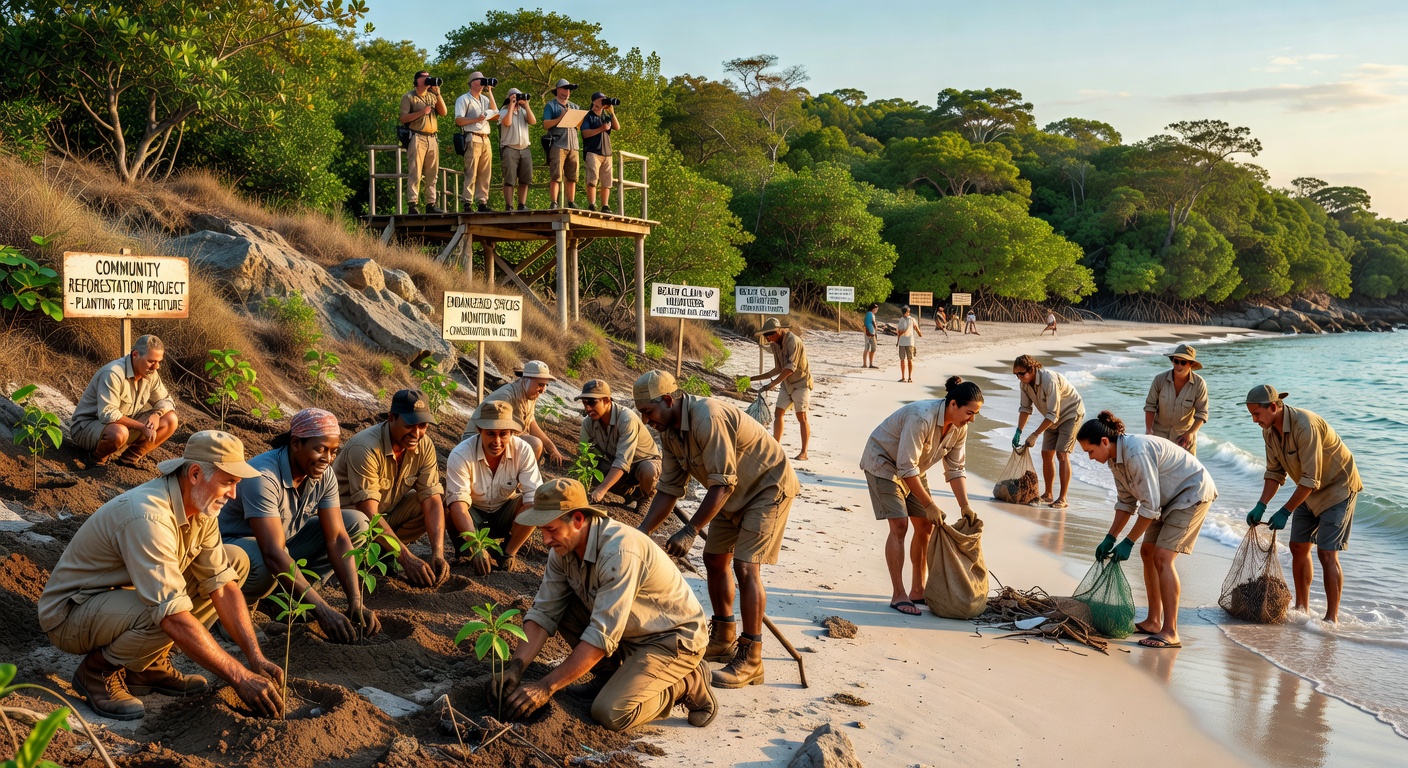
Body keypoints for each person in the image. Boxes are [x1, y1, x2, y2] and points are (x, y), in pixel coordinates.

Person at [38, 431, 283, 721]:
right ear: (194, 474)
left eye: (236, 483)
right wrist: (239, 677)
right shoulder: (148, 515)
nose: (233, 494)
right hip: (71, 614)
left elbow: (223, 586)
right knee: (165, 612)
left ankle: (145, 666)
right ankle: (97, 671)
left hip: (121, 600)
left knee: (235, 562)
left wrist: (255, 657)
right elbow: (172, 616)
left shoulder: (201, 507)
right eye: (228, 482)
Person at [498, 478, 716, 731]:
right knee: (562, 608)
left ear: (578, 520)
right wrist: (516, 666)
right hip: (629, 632)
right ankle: (610, 678)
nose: (546, 540)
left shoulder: (619, 552)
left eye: (551, 530)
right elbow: (543, 612)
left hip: (670, 640)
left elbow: (602, 635)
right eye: (542, 531)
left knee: (610, 712)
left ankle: (685, 682)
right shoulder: (562, 549)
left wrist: (546, 686)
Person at [635, 371, 799, 689]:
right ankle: (724, 638)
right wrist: (641, 533)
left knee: (745, 566)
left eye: (649, 412)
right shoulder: (669, 433)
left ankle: (752, 659)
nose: (646, 421)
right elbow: (669, 490)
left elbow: (722, 482)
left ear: (668, 401)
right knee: (714, 560)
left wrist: (691, 529)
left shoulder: (706, 416)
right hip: (729, 496)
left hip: (767, 488)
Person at [219, 409, 378, 644]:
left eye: (334, 451)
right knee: (264, 557)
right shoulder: (263, 476)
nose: (328, 458)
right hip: (233, 553)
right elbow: (273, 553)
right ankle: (232, 611)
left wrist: (355, 600)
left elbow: (337, 538)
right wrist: (322, 610)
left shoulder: (323, 474)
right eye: (320, 449)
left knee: (356, 523)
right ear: (295, 443)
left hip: (281, 544)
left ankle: (279, 599)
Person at [1078, 412, 1217, 649]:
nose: (1090, 458)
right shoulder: (1114, 460)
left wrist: (1128, 541)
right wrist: (1110, 538)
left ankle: (1171, 631)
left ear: (1103, 442)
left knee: (1163, 556)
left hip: (1191, 493)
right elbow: (1126, 503)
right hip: (1167, 499)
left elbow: (1150, 506)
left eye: (1090, 451)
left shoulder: (1135, 452)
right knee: (1148, 552)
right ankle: (1153, 621)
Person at [860, 377, 983, 616]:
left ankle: (918, 590)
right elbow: (905, 467)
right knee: (899, 526)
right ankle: (899, 594)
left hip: (914, 468)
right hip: (883, 462)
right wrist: (930, 503)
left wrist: (965, 506)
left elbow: (956, 468)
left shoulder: (960, 428)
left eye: (975, 414)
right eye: (970, 413)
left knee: (926, 525)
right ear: (953, 404)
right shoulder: (921, 417)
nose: (972, 419)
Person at [1243, 385, 1362, 623]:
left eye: (1257, 414)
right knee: (1298, 547)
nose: (1254, 420)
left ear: (1274, 407)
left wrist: (1286, 511)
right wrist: (1261, 505)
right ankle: (1301, 608)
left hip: (1337, 488)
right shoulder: (1268, 431)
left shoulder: (1304, 424)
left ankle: (1331, 619)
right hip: (1307, 490)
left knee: (1327, 553)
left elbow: (1312, 479)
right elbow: (1275, 473)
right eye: (1251, 415)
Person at [332, 389, 451, 588]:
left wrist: (437, 553)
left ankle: (386, 551)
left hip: (383, 515)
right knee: (361, 521)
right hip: (346, 525)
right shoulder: (365, 448)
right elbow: (368, 512)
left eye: (423, 426)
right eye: (410, 425)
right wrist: (406, 558)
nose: (417, 433)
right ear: (391, 418)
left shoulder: (425, 445)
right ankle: (375, 553)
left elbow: (431, 501)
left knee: (431, 499)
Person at [444, 400, 542, 575]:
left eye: (503, 434)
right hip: (472, 513)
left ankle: (506, 553)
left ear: (511, 433)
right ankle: (465, 551)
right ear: (480, 431)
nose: (497, 441)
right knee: (448, 507)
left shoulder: (523, 450)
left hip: (504, 511)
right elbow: (459, 506)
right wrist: (476, 547)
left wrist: (510, 551)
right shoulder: (461, 454)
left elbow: (532, 496)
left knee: (537, 502)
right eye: (490, 433)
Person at [71, 334, 180, 468]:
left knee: (170, 419)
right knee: (119, 433)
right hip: (87, 428)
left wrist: (157, 414)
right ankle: (96, 460)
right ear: (135, 354)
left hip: (122, 425)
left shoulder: (150, 373)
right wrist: (142, 427)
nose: (156, 367)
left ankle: (128, 459)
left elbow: (166, 400)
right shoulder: (113, 373)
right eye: (151, 361)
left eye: (159, 362)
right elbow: (108, 415)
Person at [1012, 354, 1085, 508]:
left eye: (1021, 373)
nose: (1019, 377)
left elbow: (1054, 413)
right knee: (1046, 453)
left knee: (1062, 453)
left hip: (1071, 413)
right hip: (1051, 418)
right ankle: (1048, 494)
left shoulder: (1048, 380)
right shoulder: (1024, 384)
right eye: (1016, 374)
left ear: (1032, 369)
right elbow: (1025, 409)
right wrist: (1019, 431)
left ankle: (1063, 498)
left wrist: (1035, 434)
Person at [458, 360, 564, 465]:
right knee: (534, 444)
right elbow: (494, 430)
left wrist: (552, 449)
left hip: (497, 436)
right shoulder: (506, 397)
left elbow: (531, 423)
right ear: (525, 380)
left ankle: (517, 478)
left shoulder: (528, 395)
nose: (543, 390)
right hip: (476, 439)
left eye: (546, 385)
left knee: (535, 444)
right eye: (540, 385)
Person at [576, 379, 660, 506]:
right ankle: (630, 493)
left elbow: (623, 461)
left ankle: (645, 498)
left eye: (592, 403)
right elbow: (584, 456)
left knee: (648, 471)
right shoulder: (588, 423)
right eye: (584, 403)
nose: (587, 408)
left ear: (606, 401)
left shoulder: (626, 419)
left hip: (641, 463)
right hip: (617, 464)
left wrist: (600, 491)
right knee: (597, 468)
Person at [748, 317, 812, 461]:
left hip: (801, 383)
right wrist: (753, 379)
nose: (767, 338)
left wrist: (772, 384)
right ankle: (776, 446)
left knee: (802, 417)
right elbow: (778, 368)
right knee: (778, 413)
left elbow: (790, 368)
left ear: (778, 331)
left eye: (768, 335)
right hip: (787, 384)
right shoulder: (775, 344)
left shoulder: (793, 341)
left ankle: (804, 452)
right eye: (765, 336)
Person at [1144, 344, 1208, 455]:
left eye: (1183, 362)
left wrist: (1190, 433)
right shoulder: (1159, 380)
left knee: (1186, 472)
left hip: (1184, 439)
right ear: (1172, 361)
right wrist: (1149, 430)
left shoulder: (1199, 384)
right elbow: (1150, 406)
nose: (1178, 365)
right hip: (1159, 437)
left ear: (1191, 364)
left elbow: (1202, 413)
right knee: (1156, 470)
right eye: (1176, 361)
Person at [400, 70, 447, 214]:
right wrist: (421, 112)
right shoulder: (409, 97)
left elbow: (444, 112)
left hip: (432, 138)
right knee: (415, 172)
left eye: (429, 77)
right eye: (424, 77)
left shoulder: (432, 96)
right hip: (417, 137)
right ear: (417, 80)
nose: (428, 79)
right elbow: (403, 119)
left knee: (432, 173)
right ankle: (412, 204)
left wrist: (438, 93)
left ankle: (430, 204)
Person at [453, 71, 498, 212]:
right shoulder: (464, 99)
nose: (483, 83)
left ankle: (482, 202)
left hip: (486, 138)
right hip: (472, 136)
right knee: (471, 171)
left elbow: (496, 115)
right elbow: (458, 120)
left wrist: (490, 92)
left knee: (485, 172)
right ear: (473, 82)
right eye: (481, 80)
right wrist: (475, 119)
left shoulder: (485, 99)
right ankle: (467, 202)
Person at [542, 78, 582, 209]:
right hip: (558, 144)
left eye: (569, 89)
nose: (567, 91)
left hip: (573, 145)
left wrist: (578, 119)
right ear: (558, 90)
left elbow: (580, 126)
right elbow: (546, 124)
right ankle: (554, 202)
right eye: (565, 88)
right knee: (556, 175)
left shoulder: (575, 106)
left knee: (573, 176)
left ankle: (571, 201)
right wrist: (561, 117)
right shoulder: (551, 105)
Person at [498, 88, 536, 211]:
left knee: (525, 178)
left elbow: (533, 121)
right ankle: (509, 205)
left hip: (525, 148)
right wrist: (511, 105)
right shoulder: (503, 111)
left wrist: (527, 105)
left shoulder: (523, 112)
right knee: (509, 179)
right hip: (510, 148)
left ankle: (522, 204)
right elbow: (507, 123)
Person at [582, 92, 621, 212]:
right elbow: (585, 133)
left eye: (604, 100)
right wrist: (601, 129)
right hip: (593, 151)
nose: (603, 102)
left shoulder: (606, 116)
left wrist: (612, 112)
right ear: (594, 101)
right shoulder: (588, 116)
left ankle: (605, 205)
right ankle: (592, 204)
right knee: (592, 179)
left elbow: (617, 127)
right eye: (600, 100)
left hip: (607, 153)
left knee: (607, 181)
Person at [895, 305, 922, 383]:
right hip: (908, 342)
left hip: (904, 342)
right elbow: (916, 328)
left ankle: (905, 377)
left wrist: (919, 333)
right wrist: (920, 333)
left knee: (904, 360)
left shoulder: (903, 320)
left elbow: (898, 331)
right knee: (908, 360)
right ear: (907, 312)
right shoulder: (910, 319)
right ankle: (908, 377)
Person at [862, 303, 879, 369]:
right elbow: (870, 324)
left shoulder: (870, 314)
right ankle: (869, 364)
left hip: (869, 333)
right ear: (873, 308)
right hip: (869, 333)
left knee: (868, 348)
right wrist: (872, 332)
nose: (877, 310)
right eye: (876, 308)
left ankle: (866, 364)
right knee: (870, 348)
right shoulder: (870, 314)